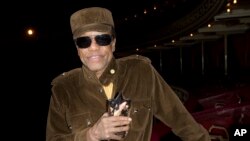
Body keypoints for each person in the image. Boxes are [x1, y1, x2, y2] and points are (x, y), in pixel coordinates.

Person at [46, 7, 210, 141]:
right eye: (84, 41)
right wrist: (90, 135)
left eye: (102, 39)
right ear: (77, 49)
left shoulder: (140, 72)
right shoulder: (63, 89)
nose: (93, 47)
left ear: (114, 44)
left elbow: (181, 120)